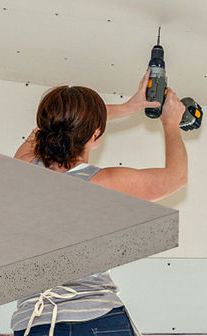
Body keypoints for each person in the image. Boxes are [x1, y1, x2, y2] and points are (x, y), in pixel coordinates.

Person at [10, 69, 188, 336]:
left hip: (34, 323)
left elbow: (50, 127)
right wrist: (170, 123)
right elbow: (177, 177)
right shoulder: (105, 185)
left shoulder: (20, 168)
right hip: (97, 319)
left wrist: (129, 107)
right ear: (95, 136)